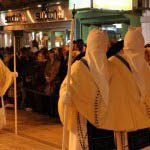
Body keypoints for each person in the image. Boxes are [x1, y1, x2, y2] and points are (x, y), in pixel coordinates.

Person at [58, 29, 112, 150]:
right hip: (83, 121)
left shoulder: (110, 67)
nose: (99, 50)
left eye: (101, 46)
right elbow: (66, 86)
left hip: (106, 122)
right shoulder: (78, 67)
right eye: (96, 46)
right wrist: (64, 96)